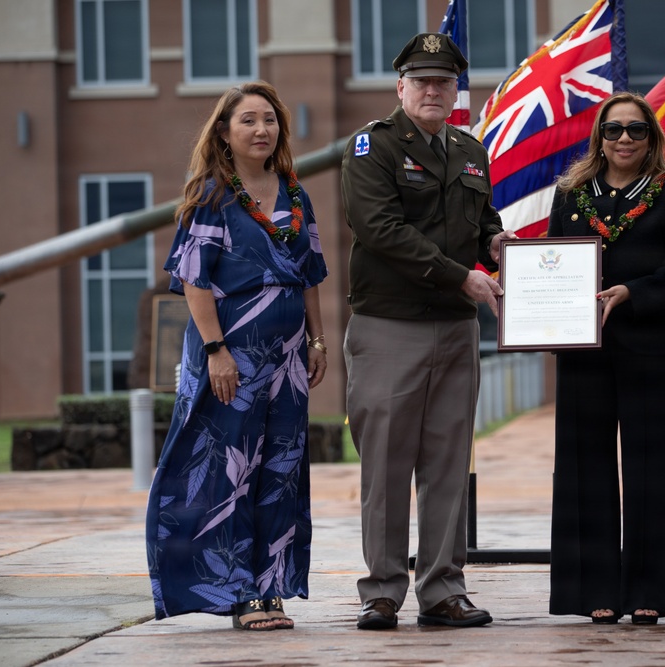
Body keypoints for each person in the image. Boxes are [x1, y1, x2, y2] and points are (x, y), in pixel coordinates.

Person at [340, 32, 514, 631]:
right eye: (423, 81)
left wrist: (496, 242)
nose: (434, 90)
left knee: (446, 463)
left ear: (455, 90)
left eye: (444, 81)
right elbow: (381, 228)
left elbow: (481, 219)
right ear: (401, 87)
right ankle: (382, 590)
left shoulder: (469, 149)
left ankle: (442, 588)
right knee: (386, 464)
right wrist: (459, 274)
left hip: (456, 328)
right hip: (391, 325)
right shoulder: (373, 147)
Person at [145, 81, 329, 631]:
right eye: (248, 120)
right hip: (230, 357)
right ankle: (237, 590)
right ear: (224, 132)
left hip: (289, 359)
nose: (261, 130)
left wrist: (316, 342)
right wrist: (217, 351)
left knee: (281, 469)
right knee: (228, 473)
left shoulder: (296, 194)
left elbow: (311, 275)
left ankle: (271, 586)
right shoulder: (210, 195)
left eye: (269, 120)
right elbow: (195, 281)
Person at [546, 92, 665, 625]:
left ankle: (651, 589)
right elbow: (552, 263)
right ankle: (594, 591)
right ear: (599, 139)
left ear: (652, 137)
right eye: (614, 130)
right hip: (583, 350)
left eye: (636, 130)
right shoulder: (569, 195)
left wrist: (632, 291)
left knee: (650, 466)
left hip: (647, 347)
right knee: (584, 468)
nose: (625, 139)